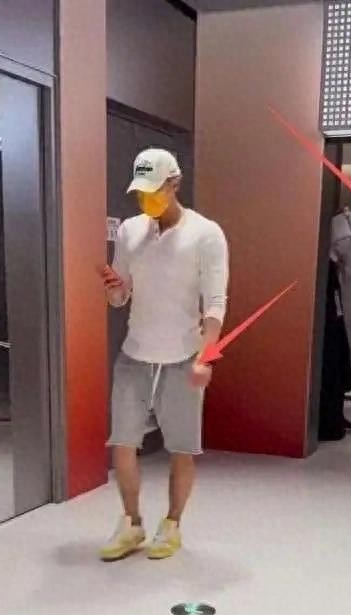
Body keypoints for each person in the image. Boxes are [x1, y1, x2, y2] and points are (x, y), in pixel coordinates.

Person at [99, 148, 229, 561]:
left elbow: (215, 303)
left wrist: (206, 356)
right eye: (140, 193)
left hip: (182, 356)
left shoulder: (206, 234)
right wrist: (114, 290)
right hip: (135, 353)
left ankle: (171, 524)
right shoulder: (130, 231)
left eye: (154, 191)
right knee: (122, 443)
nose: (147, 200)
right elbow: (120, 298)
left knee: (181, 448)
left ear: (174, 184)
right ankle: (131, 523)